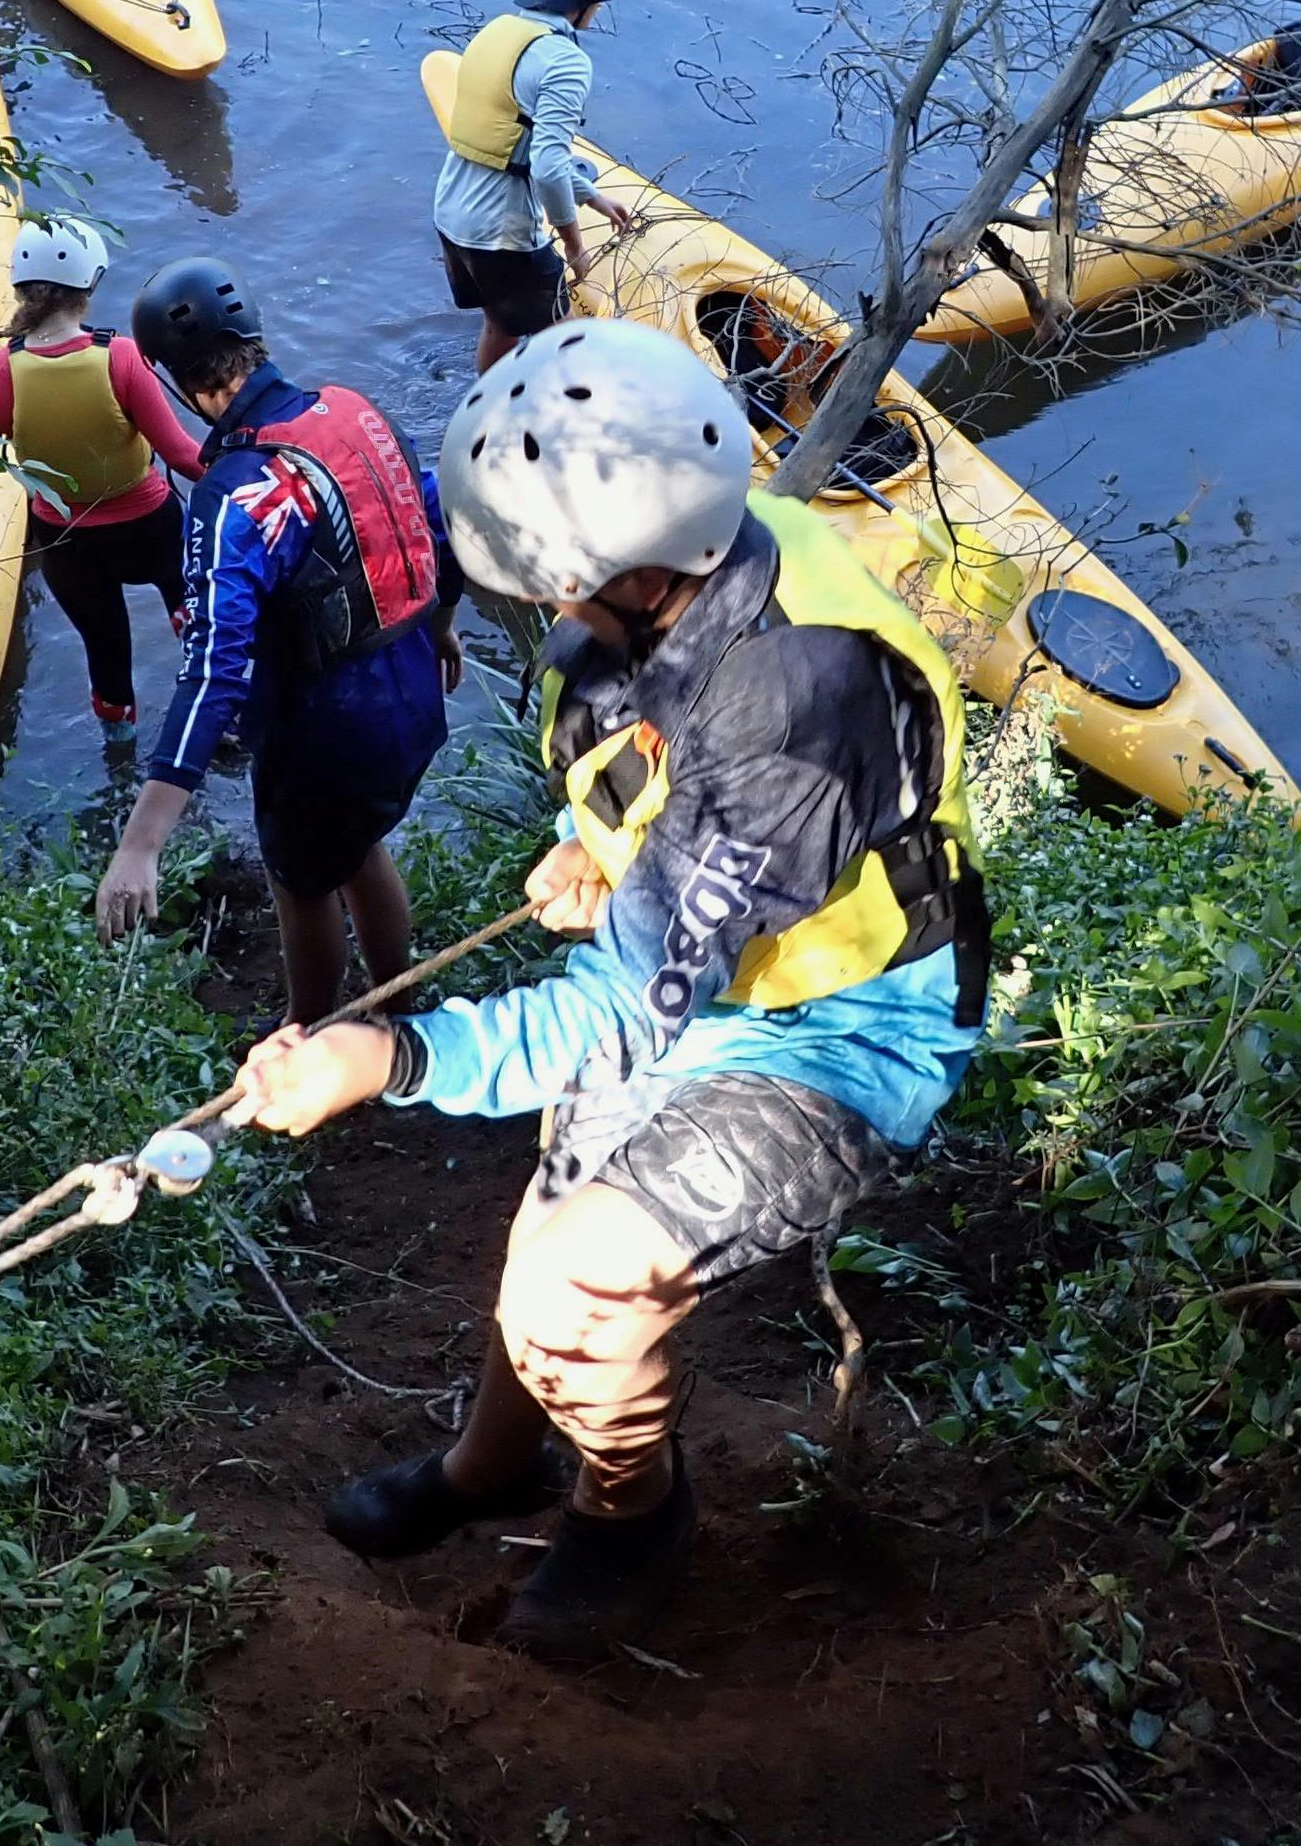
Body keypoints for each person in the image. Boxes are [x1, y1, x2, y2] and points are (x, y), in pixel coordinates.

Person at [216, 320, 987, 1663]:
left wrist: (387, 1057)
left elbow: (633, 1008)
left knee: (581, 1285)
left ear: (601, 570)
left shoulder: (796, 708)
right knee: (546, 1228)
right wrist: (607, 844)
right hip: (736, 972)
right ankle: (489, 1471)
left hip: (846, 1029)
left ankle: (632, 1510)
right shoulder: (704, 566)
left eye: (527, 581)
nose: (520, 604)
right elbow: (674, 778)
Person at [92, 259, 457, 1025]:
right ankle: (401, 1010)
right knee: (356, 845)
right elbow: (433, 520)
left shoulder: (235, 493)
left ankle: (308, 1032)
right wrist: (444, 624)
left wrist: (141, 841)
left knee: (302, 881)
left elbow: (212, 672)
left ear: (173, 379)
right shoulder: (353, 411)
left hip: (329, 736)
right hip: (416, 696)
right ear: (252, 336)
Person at [0, 219, 207, 733]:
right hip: (150, 527)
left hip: (67, 541)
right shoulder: (120, 357)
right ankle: (214, 710)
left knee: (106, 651)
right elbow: (181, 456)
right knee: (194, 609)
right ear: (89, 286)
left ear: (20, 288)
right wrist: (249, 471)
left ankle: (119, 751)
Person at [434, 0, 641, 371]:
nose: (601, 7)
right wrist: (574, 246)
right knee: (567, 337)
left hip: (452, 214)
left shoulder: (500, 32)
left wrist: (592, 196)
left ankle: (490, 412)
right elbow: (546, 167)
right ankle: (571, 426)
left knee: (501, 326)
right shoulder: (566, 61)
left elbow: (514, 143)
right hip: (501, 233)